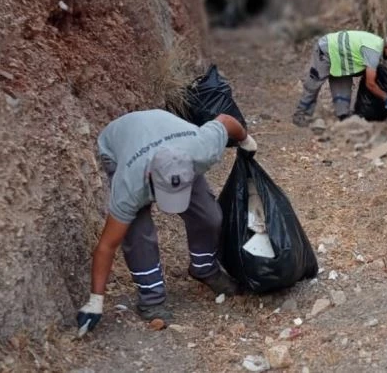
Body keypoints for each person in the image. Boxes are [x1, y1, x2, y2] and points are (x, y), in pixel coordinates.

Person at [76, 109, 258, 334]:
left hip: (170, 138)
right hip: (119, 143)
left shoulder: (202, 149)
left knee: (209, 215)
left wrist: (246, 140)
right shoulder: (130, 184)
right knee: (138, 232)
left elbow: (226, 121)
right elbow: (107, 245)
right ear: (149, 179)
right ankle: (151, 299)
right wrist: (96, 301)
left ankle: (204, 269)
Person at [293, 31, 387, 126]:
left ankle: (343, 115)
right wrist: (386, 98)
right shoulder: (373, 52)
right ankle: (300, 114)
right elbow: (370, 84)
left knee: (343, 82)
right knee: (314, 84)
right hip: (326, 49)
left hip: (340, 57)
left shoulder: (377, 43)